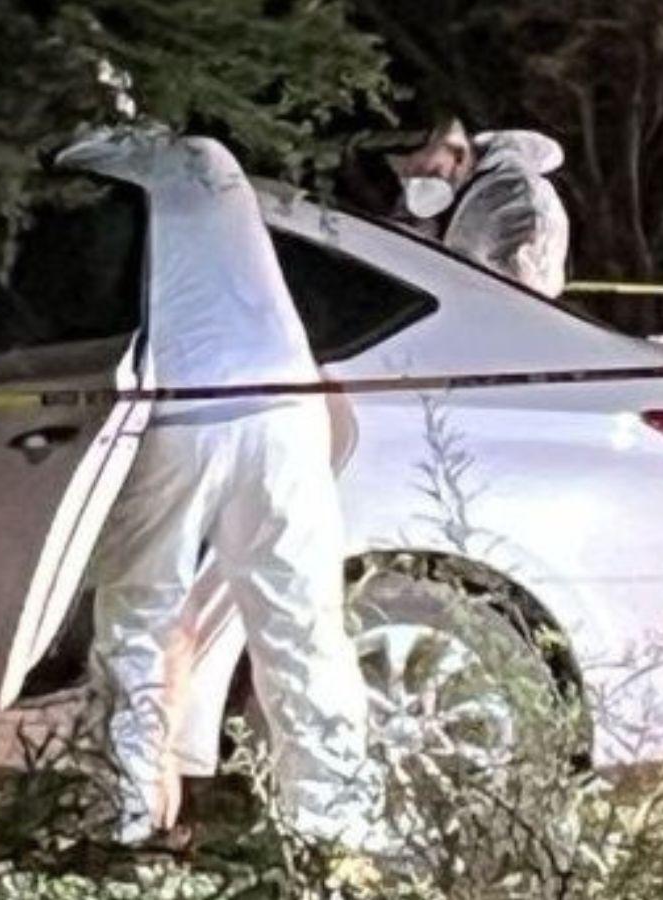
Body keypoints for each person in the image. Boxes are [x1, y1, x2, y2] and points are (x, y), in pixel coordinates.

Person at [56, 128, 382, 849]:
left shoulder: (89, 180)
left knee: (138, 617)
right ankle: (339, 837)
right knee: (303, 628)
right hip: (286, 412)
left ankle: (125, 818)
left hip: (181, 415)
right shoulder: (209, 158)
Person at [388, 117, 570, 297]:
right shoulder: (451, 191)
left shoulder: (519, 201)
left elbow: (522, 301)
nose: (414, 184)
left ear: (459, 154)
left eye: (424, 171)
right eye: (405, 174)